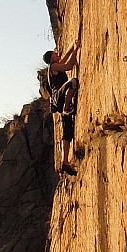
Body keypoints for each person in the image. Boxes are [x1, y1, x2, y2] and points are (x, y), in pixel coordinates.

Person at [42, 40, 80, 173]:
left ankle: (65, 162)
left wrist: (73, 46)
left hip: (59, 101)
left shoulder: (55, 66)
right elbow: (69, 65)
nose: (57, 54)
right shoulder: (53, 67)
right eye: (55, 54)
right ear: (51, 58)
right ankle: (66, 107)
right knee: (73, 82)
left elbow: (64, 59)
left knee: (67, 132)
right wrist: (75, 50)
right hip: (60, 97)